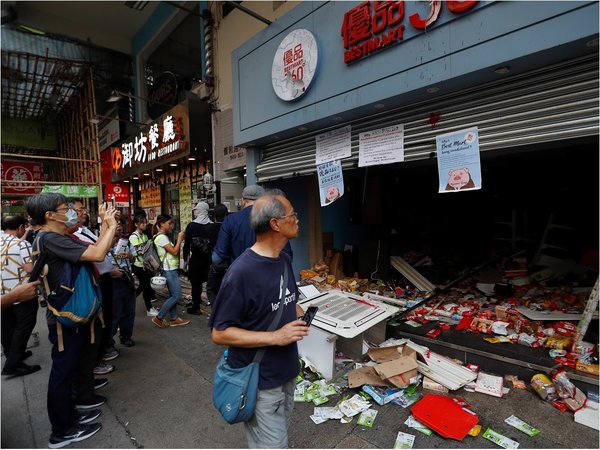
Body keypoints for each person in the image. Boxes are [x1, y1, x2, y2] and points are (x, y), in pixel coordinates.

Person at [210, 193, 308, 448]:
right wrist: (276, 336)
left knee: (279, 439)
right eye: (293, 215)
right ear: (276, 224)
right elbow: (220, 333)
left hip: (286, 372)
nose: (298, 220)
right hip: (260, 381)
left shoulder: (284, 260)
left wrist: (299, 314)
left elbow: (284, 302)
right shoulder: (242, 272)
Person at [26, 193, 118, 448]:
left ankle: (71, 414)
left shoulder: (52, 237)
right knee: (63, 372)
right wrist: (109, 225)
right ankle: (62, 430)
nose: (72, 213)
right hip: (65, 317)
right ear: (50, 215)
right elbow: (98, 253)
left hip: (68, 313)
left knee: (71, 367)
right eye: (66, 208)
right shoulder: (52, 238)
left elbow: (91, 252)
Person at [71, 200, 116, 375]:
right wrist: (109, 224)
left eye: (83, 209)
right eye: (79, 210)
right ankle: (94, 362)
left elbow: (99, 244)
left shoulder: (82, 231)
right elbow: (98, 253)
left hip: (101, 278)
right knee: (96, 324)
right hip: (90, 284)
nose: (83, 213)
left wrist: (106, 221)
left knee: (105, 320)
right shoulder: (68, 237)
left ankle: (100, 354)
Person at [1, 215, 40, 377]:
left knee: (7, 328)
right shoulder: (22, 244)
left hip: (3, 295)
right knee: (23, 328)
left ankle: (13, 354)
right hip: (22, 293)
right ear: (20, 228)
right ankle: (13, 364)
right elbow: (30, 268)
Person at [151, 214, 190, 328]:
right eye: (169, 223)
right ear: (162, 224)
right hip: (169, 270)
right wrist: (179, 239)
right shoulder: (162, 237)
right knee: (176, 296)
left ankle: (174, 319)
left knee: (173, 294)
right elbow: (174, 251)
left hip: (169, 269)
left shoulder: (161, 236)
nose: (171, 226)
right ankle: (159, 317)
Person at [108, 220, 137, 347]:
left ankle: (126, 336)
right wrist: (111, 272)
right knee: (115, 313)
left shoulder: (127, 242)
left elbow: (135, 258)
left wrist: (130, 256)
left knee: (129, 311)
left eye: (120, 229)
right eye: (116, 229)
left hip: (127, 279)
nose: (118, 232)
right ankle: (108, 342)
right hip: (113, 282)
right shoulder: (103, 244)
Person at [182, 201, 212, 315]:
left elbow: (186, 245)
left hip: (196, 259)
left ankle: (196, 307)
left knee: (196, 283)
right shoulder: (212, 225)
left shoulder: (191, 226)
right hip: (209, 260)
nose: (195, 212)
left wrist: (185, 260)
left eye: (196, 210)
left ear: (199, 211)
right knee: (210, 283)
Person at [129, 213, 159, 317]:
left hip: (145, 265)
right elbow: (139, 251)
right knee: (145, 286)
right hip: (138, 265)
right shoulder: (134, 237)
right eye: (142, 223)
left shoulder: (145, 235)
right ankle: (149, 308)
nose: (145, 224)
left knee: (143, 286)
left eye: (145, 222)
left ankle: (130, 300)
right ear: (136, 224)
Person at [205, 204, 229, 306]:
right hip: (229, 263)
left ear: (214, 216)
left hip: (215, 263)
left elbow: (207, 246)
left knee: (211, 289)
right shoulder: (230, 227)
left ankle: (216, 311)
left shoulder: (209, 229)